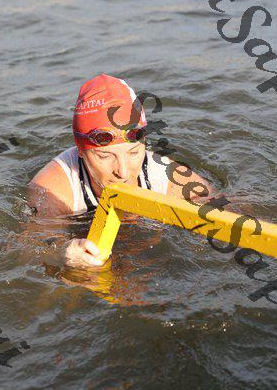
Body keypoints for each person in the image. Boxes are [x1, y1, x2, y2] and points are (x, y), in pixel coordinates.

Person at [28, 74, 212, 269]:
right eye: (105, 156)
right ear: (80, 150)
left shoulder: (168, 177)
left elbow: (225, 211)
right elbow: (28, 248)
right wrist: (61, 252)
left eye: (133, 153)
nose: (123, 172)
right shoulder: (54, 188)